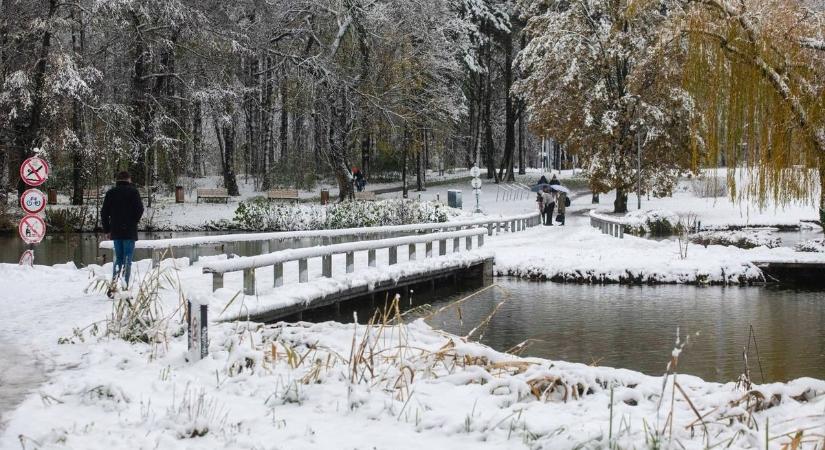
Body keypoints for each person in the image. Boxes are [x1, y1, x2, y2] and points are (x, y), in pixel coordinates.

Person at [101, 171, 144, 291]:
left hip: (116, 230)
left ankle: (114, 285)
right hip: (129, 231)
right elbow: (140, 209)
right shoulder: (133, 192)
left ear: (117, 180)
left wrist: (107, 229)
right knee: (127, 259)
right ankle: (125, 285)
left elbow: (104, 213)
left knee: (118, 258)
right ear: (129, 179)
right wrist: (134, 220)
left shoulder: (111, 193)